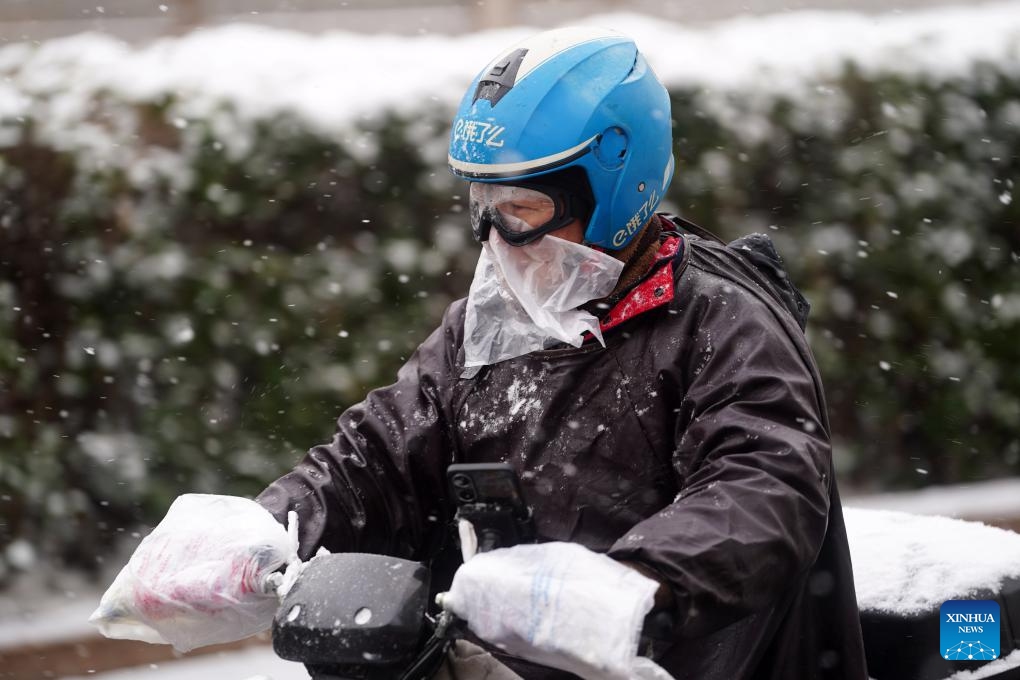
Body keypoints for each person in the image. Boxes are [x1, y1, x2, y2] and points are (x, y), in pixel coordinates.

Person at [256, 26, 868, 680]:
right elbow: (380, 456)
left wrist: (636, 585)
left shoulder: (724, 323)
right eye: (483, 206)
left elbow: (764, 485)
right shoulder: (493, 324)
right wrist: (266, 532)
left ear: (616, 195)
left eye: (522, 209)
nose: (496, 239)